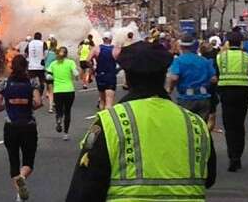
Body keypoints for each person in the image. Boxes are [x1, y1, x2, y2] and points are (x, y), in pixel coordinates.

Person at [65, 40, 216, 202]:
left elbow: (85, 187)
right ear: (163, 75)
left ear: (127, 80)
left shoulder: (111, 122)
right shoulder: (196, 123)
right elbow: (209, 178)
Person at [0, 55, 42, 202]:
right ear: (26, 66)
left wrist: (7, 105)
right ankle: (22, 178)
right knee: (28, 162)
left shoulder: (4, 83)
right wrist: (27, 103)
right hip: (28, 125)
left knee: (13, 161)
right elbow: (38, 102)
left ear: (12, 66)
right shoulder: (32, 82)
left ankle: (19, 195)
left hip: (11, 126)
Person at [215, 30, 248, 172]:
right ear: (241, 43)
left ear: (228, 43)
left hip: (226, 95)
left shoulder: (220, 58)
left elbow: (214, 77)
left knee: (229, 127)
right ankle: (237, 156)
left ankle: (232, 156)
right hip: (242, 94)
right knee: (239, 126)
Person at [166, 33, 215, 121]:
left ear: (181, 46)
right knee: (202, 126)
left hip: (186, 99)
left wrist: (169, 89)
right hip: (203, 98)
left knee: (188, 127)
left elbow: (174, 78)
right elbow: (213, 79)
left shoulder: (179, 61)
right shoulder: (204, 60)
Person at [46, 46, 79, 140]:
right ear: (66, 54)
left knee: (59, 110)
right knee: (68, 111)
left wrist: (52, 79)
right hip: (69, 90)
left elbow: (48, 76)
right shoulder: (70, 62)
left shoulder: (53, 64)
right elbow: (76, 73)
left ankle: (59, 119)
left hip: (58, 91)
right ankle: (66, 134)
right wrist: (76, 77)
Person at [91, 32, 119, 110]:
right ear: (111, 39)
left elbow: (87, 60)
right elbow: (124, 61)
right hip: (111, 75)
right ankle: (108, 119)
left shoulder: (96, 48)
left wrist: (93, 69)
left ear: (103, 39)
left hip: (100, 75)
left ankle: (101, 117)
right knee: (109, 101)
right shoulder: (115, 49)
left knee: (102, 100)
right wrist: (118, 69)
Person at [43, 36, 58, 113]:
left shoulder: (46, 52)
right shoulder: (57, 54)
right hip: (55, 74)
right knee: (55, 90)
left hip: (47, 73)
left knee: (50, 91)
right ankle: (55, 103)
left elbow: (43, 60)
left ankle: (50, 107)